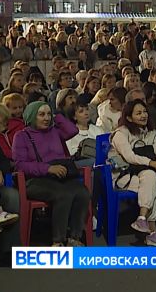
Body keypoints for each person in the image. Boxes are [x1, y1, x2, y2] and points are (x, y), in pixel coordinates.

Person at [12, 102, 91, 246]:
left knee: (83, 192)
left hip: (60, 178)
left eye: (48, 114)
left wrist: (56, 116)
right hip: (36, 180)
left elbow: (73, 130)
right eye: (41, 114)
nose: (46, 118)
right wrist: (47, 168)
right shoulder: (22, 136)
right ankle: (58, 241)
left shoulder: (55, 131)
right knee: (63, 194)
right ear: (31, 116)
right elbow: (20, 164)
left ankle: (74, 238)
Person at [109, 99, 156, 246]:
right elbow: (130, 157)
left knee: (150, 178)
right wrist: (153, 163)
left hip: (145, 173)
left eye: (144, 112)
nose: (143, 115)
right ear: (129, 117)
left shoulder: (150, 131)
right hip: (125, 175)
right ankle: (152, 231)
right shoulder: (120, 134)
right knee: (154, 185)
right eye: (138, 113)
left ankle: (142, 220)